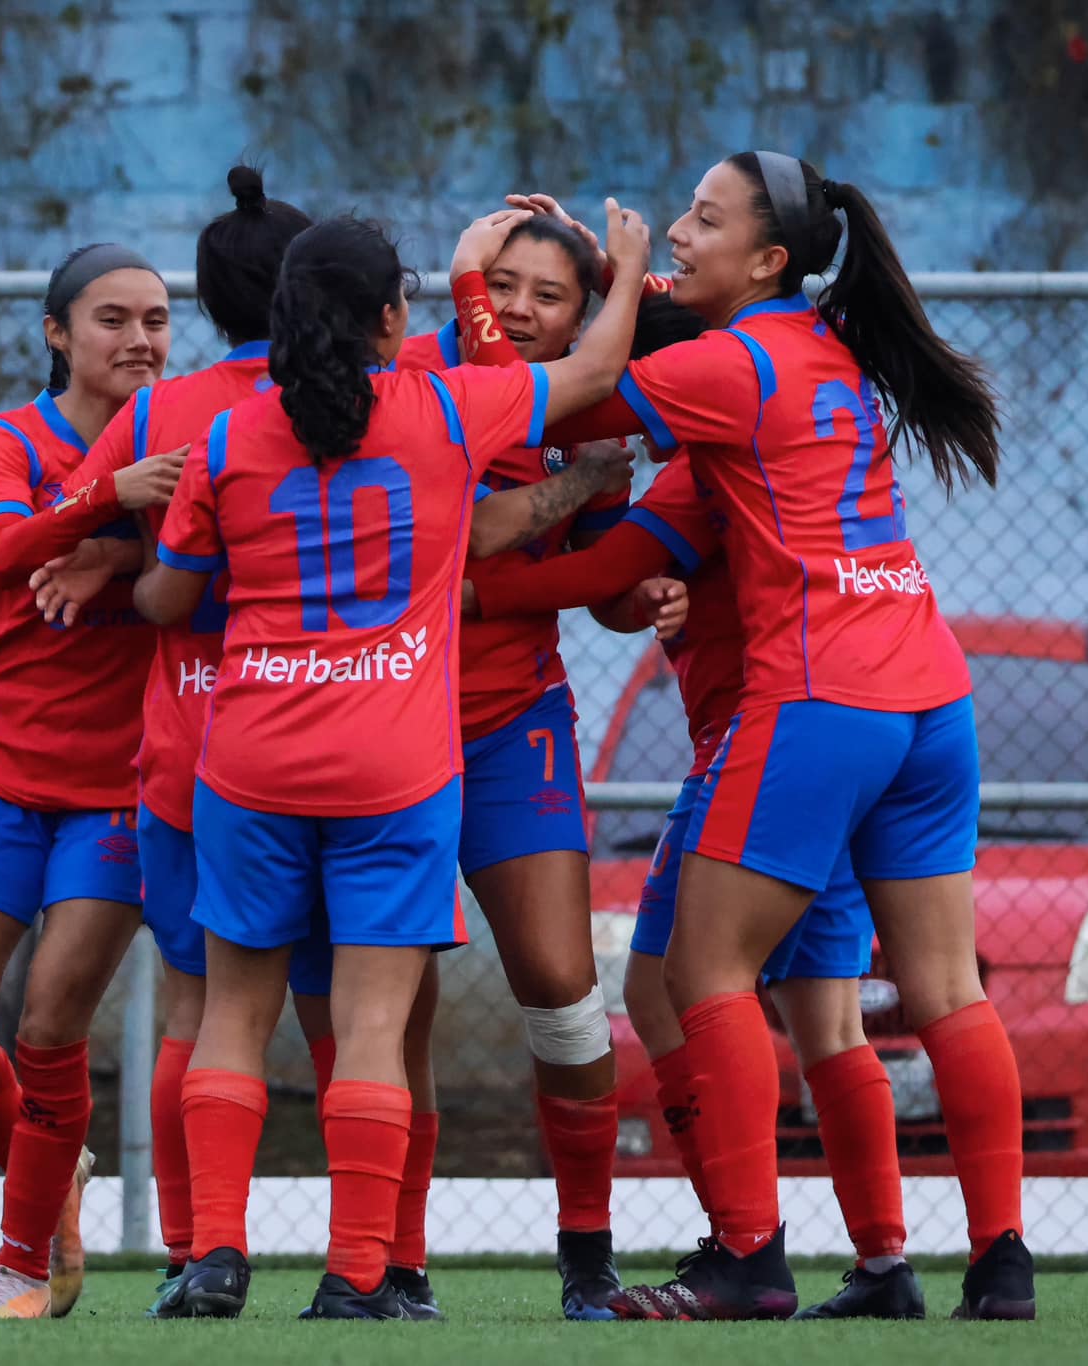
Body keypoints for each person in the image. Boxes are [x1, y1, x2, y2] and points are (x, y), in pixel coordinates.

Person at [26, 179, 634, 1321]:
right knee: (368, 1025)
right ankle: (360, 1274)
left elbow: (174, 589)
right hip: (390, 764)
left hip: (246, 760)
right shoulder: (443, 411)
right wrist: (629, 259)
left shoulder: (220, 437)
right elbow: (592, 377)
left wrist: (116, 566)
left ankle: (209, 1260)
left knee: (227, 1016)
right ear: (394, 322)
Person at [542, 153, 1030, 1322]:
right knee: (944, 990)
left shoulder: (731, 364)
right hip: (926, 692)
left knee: (697, 975)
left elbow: (567, 390)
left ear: (768, 259)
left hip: (819, 701)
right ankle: (994, 1265)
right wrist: (628, 280)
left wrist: (547, 285)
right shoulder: (822, 347)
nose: (673, 231)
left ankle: (748, 1260)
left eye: (701, 221)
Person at [467, 301, 923, 1321]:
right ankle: (876, 1260)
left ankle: (745, 1249)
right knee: (806, 1009)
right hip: (821, 739)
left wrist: (472, 591)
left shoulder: (697, 472)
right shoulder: (747, 454)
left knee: (690, 987)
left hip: (766, 750)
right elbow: (622, 584)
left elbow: (603, 565)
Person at [0, 244, 172, 1320]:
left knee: (54, 1024)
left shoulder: (190, 442)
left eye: (157, 320)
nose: (140, 340)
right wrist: (104, 501)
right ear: (59, 333)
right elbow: (8, 544)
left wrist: (118, 554)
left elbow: (206, 572)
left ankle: (22, 1264)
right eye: (112, 319)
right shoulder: (6, 440)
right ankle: (51, 1169)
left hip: (118, 786)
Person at [403, 209, 648, 1318]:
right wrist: (571, 484)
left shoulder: (592, 412)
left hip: (513, 722)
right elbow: (466, 531)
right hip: (386, 728)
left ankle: (587, 1253)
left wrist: (642, 589)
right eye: (497, 282)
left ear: (579, 319)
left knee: (561, 987)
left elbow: (598, 592)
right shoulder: (407, 376)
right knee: (389, 1005)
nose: (513, 307)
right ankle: (390, 1261)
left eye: (546, 294)